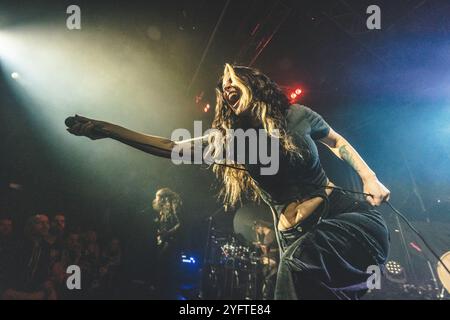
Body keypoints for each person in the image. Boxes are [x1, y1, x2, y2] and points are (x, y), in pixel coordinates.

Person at [66, 64, 390, 299]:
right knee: (291, 280)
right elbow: (171, 147)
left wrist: (370, 178)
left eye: (231, 78)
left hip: (344, 218)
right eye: (222, 85)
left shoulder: (298, 116)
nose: (225, 86)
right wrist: (107, 130)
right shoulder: (230, 140)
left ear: (253, 83)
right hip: (297, 240)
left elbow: (336, 142)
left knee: (292, 275)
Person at [151, 187, 182, 298]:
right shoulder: (162, 209)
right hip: (164, 240)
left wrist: (167, 233)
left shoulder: (174, 207)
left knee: (164, 266)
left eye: (158, 197)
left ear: (164, 198)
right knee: (160, 265)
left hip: (171, 242)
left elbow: (180, 224)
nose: (156, 199)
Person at [253, 220, 278, 299]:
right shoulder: (268, 235)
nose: (257, 232)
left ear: (261, 227)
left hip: (273, 261)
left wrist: (260, 245)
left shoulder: (270, 235)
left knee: (269, 283)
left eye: (257, 230)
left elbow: (266, 251)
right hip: (271, 260)